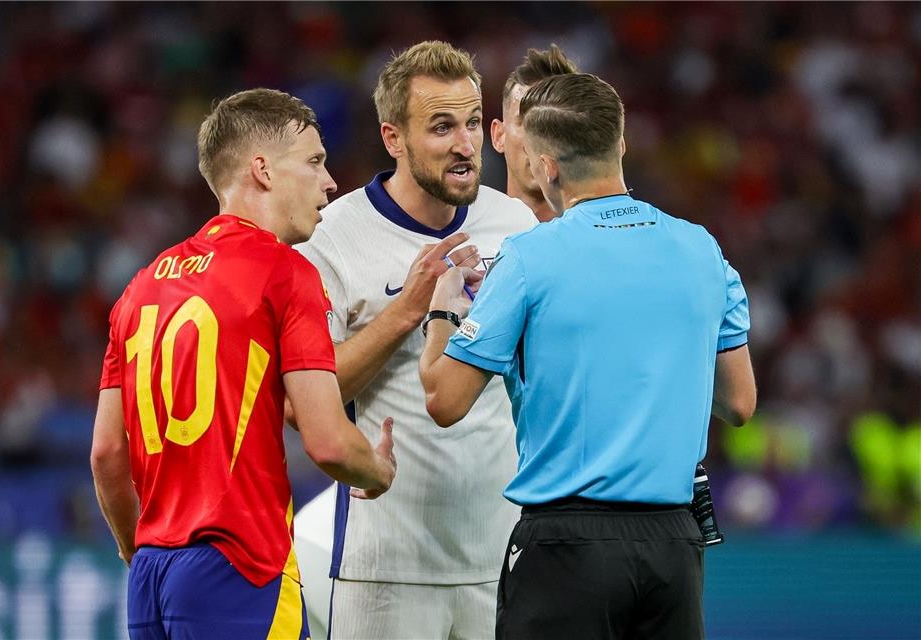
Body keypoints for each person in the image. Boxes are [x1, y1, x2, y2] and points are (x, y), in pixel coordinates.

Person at [419, 73, 757, 640]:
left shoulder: (528, 258)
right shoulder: (702, 248)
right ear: (620, 144)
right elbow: (740, 403)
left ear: (546, 167)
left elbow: (444, 400)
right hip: (674, 548)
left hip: (566, 548)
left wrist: (443, 311)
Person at [90, 88, 397, 640]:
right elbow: (328, 442)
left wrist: (136, 548)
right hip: (242, 568)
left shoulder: (139, 288)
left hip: (152, 577)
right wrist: (376, 469)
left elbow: (107, 454)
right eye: (314, 161)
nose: (330, 182)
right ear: (262, 170)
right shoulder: (285, 273)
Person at [296, 40, 537, 639]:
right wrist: (406, 309)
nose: (465, 144)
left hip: (502, 560)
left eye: (472, 123)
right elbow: (307, 402)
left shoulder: (516, 225)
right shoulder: (333, 237)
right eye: (441, 127)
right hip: (384, 567)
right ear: (393, 138)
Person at [490, 44, 578, 222]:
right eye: (527, 122)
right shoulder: (470, 236)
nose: (539, 140)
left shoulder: (606, 234)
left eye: (554, 123)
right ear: (499, 136)